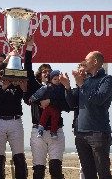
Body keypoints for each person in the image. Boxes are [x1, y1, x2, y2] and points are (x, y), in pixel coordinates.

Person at [61, 51, 112, 179]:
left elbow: (99, 99)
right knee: (88, 174)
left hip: (98, 133)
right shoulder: (86, 81)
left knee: (103, 173)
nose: (84, 62)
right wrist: (68, 87)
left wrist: (81, 84)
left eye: (87, 60)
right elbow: (72, 104)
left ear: (95, 62)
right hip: (81, 133)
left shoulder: (107, 80)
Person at [24, 36, 67, 179]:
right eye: (44, 71)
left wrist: (50, 100)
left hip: (56, 131)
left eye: (49, 71)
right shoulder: (35, 88)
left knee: (55, 169)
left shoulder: (60, 88)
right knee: (38, 171)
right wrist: (29, 47)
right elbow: (28, 69)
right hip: (38, 132)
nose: (47, 73)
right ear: (39, 75)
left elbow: (67, 105)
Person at [0, 43, 31, 179]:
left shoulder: (15, 77)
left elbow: (25, 97)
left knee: (19, 157)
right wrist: (6, 60)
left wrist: (24, 91)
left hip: (15, 121)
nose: (0, 64)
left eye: (2, 62)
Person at [29, 70, 67, 139]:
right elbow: (39, 93)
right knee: (43, 118)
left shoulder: (62, 88)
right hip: (47, 108)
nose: (57, 81)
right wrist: (32, 98)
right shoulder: (47, 86)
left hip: (56, 108)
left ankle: (53, 133)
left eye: (59, 79)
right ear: (51, 79)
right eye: (55, 79)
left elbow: (64, 100)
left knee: (55, 120)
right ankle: (40, 130)